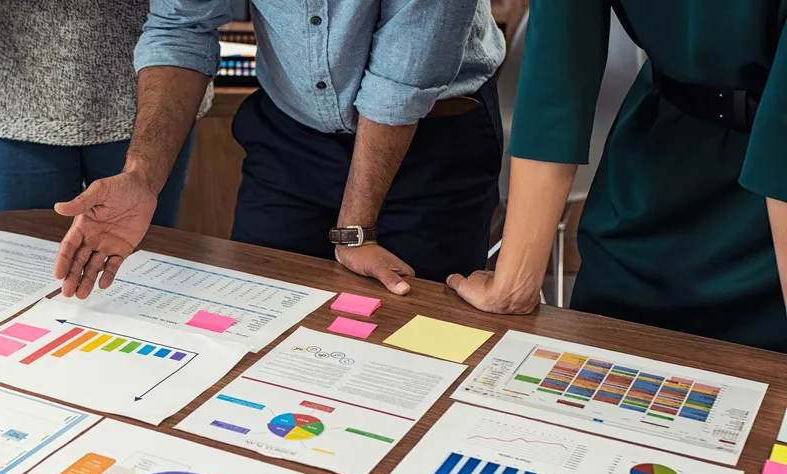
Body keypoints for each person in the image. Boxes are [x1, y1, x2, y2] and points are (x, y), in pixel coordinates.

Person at [52, 0, 505, 300]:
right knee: (257, 316)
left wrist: (355, 230)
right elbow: (182, 25)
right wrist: (142, 175)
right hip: (291, 132)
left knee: (410, 346)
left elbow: (402, 77)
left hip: (430, 137)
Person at [448, 2, 787, 352]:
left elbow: (559, 65)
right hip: (652, 179)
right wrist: (513, 284)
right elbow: (558, 65)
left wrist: (514, 283)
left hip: (755, 211)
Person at [0, 0, 209, 228]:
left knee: (143, 264)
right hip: (9, 105)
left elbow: (186, 19)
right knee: (9, 264)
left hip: (153, 96)